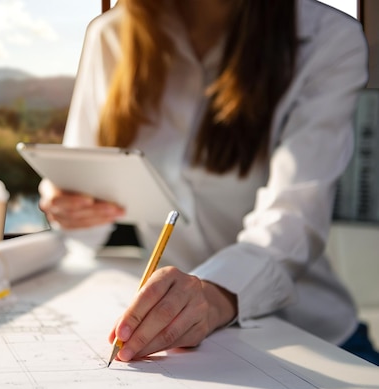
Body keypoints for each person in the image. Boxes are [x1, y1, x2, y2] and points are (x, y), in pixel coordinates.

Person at [38, 0, 379, 365]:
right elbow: (83, 226)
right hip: (177, 341)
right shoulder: (111, 35)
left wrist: (213, 296)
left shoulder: (326, 39)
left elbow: (293, 218)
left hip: (313, 340)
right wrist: (68, 207)